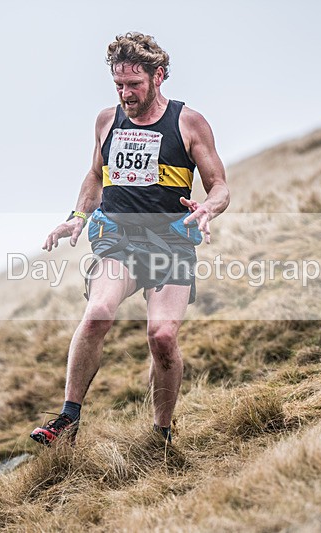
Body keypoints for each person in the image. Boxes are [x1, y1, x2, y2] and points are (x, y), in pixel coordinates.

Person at [30, 32, 229, 446]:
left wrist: (208, 207)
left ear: (158, 76)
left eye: (134, 85)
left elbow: (219, 186)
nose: (125, 94)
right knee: (99, 311)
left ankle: (161, 433)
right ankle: (68, 418)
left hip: (172, 242)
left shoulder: (188, 122)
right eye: (118, 85)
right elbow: (95, 175)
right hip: (118, 236)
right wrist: (78, 216)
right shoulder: (107, 120)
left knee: (162, 336)